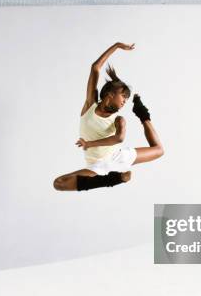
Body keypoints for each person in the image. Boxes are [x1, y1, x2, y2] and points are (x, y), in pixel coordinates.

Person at [53, 42, 164, 192]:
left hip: (118, 157)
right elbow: (95, 68)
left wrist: (89, 144)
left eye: (127, 98)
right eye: (123, 96)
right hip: (97, 165)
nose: (125, 100)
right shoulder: (89, 105)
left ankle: (142, 113)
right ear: (110, 94)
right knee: (59, 183)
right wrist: (117, 46)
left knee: (159, 150)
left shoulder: (119, 120)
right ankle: (118, 178)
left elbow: (119, 138)